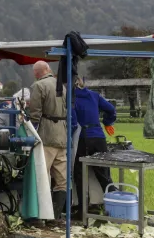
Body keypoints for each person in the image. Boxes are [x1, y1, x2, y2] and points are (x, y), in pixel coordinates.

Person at [27, 60, 78, 219]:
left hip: (47, 136)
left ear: (36, 73)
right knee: (62, 179)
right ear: (48, 69)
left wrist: (30, 133)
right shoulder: (61, 85)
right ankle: (56, 216)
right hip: (62, 135)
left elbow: (35, 114)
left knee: (42, 175)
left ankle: (43, 215)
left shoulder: (38, 86)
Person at [72, 76, 116, 213]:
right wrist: (107, 122)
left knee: (79, 174)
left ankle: (82, 209)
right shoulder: (94, 95)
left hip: (83, 138)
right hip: (99, 137)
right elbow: (111, 109)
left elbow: (73, 123)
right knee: (104, 174)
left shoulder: (71, 98)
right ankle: (114, 206)